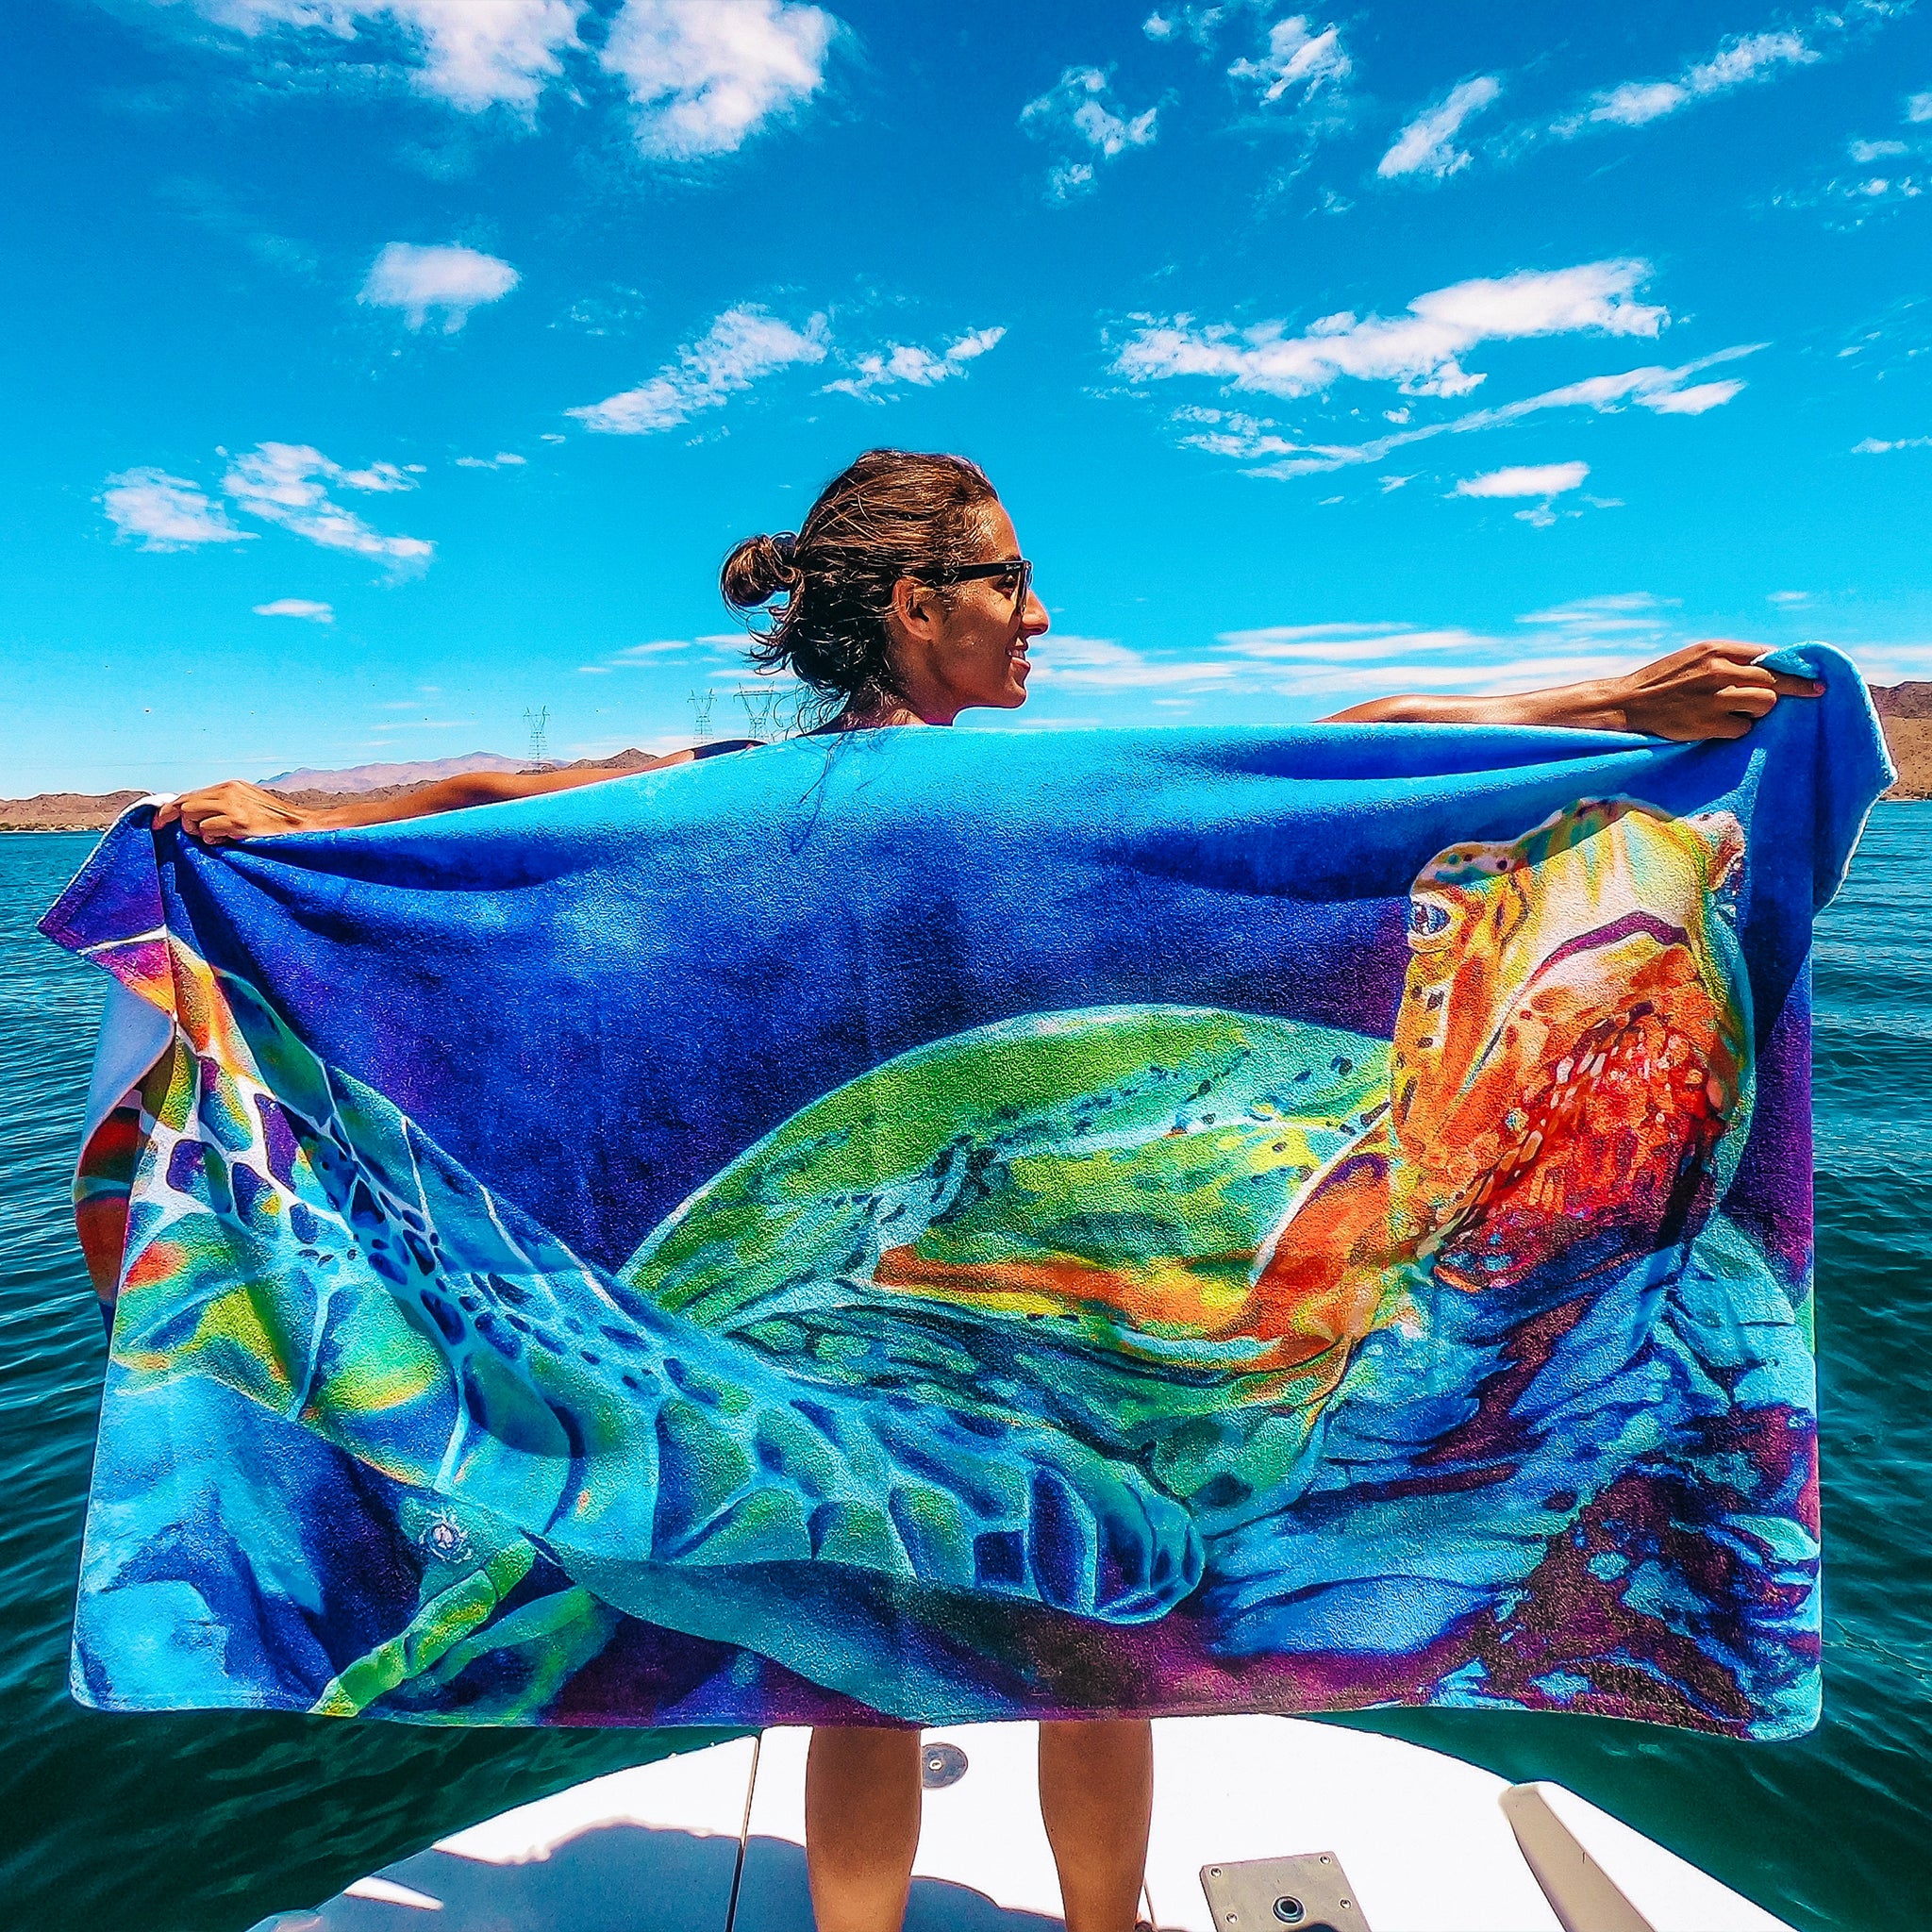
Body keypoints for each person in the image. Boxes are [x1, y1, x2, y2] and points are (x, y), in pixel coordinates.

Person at [158, 448, 1823, 1932]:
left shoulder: (741, 783)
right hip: (880, 1350)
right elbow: (1337, 754)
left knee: (890, 1688)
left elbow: (523, 802)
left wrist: (312, 824)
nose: (1042, 614)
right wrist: (1612, 704)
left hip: (1091, 1289)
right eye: (1010, 579)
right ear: (914, 601)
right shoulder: (1038, 786)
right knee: (1100, 1633)